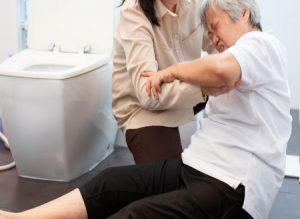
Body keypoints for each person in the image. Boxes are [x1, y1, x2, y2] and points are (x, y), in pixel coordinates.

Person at [0, 0, 292, 218]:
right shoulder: (135, 15)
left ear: (243, 13)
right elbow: (153, 93)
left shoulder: (260, 44)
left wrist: (172, 72)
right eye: (211, 31)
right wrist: (194, 82)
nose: (213, 40)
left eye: (216, 29)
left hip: (231, 182)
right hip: (156, 120)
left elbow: (221, 70)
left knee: (137, 213)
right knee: (110, 183)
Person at [112, 0, 214, 164]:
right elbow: (148, 95)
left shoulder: (197, 4)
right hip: (144, 110)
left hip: (182, 92)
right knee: (166, 182)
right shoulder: (134, 13)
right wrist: (205, 87)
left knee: (237, 84)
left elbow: (220, 45)